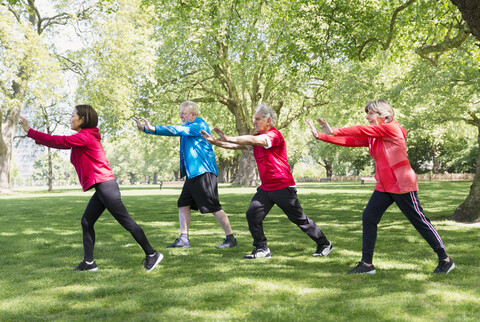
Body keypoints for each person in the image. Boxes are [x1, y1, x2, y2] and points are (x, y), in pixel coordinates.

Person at [307, 99, 455, 274]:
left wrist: (334, 130)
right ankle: (367, 264)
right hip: (384, 186)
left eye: (371, 113)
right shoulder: (375, 136)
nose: (367, 117)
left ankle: (445, 260)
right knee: (369, 217)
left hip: (402, 184)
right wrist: (322, 136)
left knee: (419, 221)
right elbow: (352, 141)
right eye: (367, 113)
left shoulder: (391, 128)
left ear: (384, 115)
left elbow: (361, 130)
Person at [19, 105, 163, 272]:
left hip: (106, 186)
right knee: (87, 222)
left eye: (73, 115)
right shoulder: (84, 137)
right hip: (102, 187)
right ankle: (89, 263)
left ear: (82, 119)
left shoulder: (85, 137)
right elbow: (61, 143)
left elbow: (59, 141)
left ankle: (152, 254)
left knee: (127, 222)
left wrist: (30, 131)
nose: (70, 118)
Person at [201, 103, 332, 259]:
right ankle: (261, 248)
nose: (254, 122)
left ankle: (324, 244)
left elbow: (253, 140)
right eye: (254, 119)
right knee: (252, 214)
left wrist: (228, 137)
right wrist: (216, 142)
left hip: (283, 186)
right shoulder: (256, 138)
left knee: (299, 219)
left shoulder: (273, 136)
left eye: (258, 119)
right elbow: (236, 145)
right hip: (266, 188)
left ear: (268, 121)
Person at [132, 101, 237, 249]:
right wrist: (146, 130)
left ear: (193, 114)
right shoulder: (189, 126)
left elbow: (176, 130)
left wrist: (153, 128)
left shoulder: (198, 126)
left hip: (203, 173)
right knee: (183, 204)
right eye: (181, 112)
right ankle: (184, 239)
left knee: (213, 207)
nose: (181, 115)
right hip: (193, 174)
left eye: (184, 113)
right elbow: (179, 130)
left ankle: (230, 238)